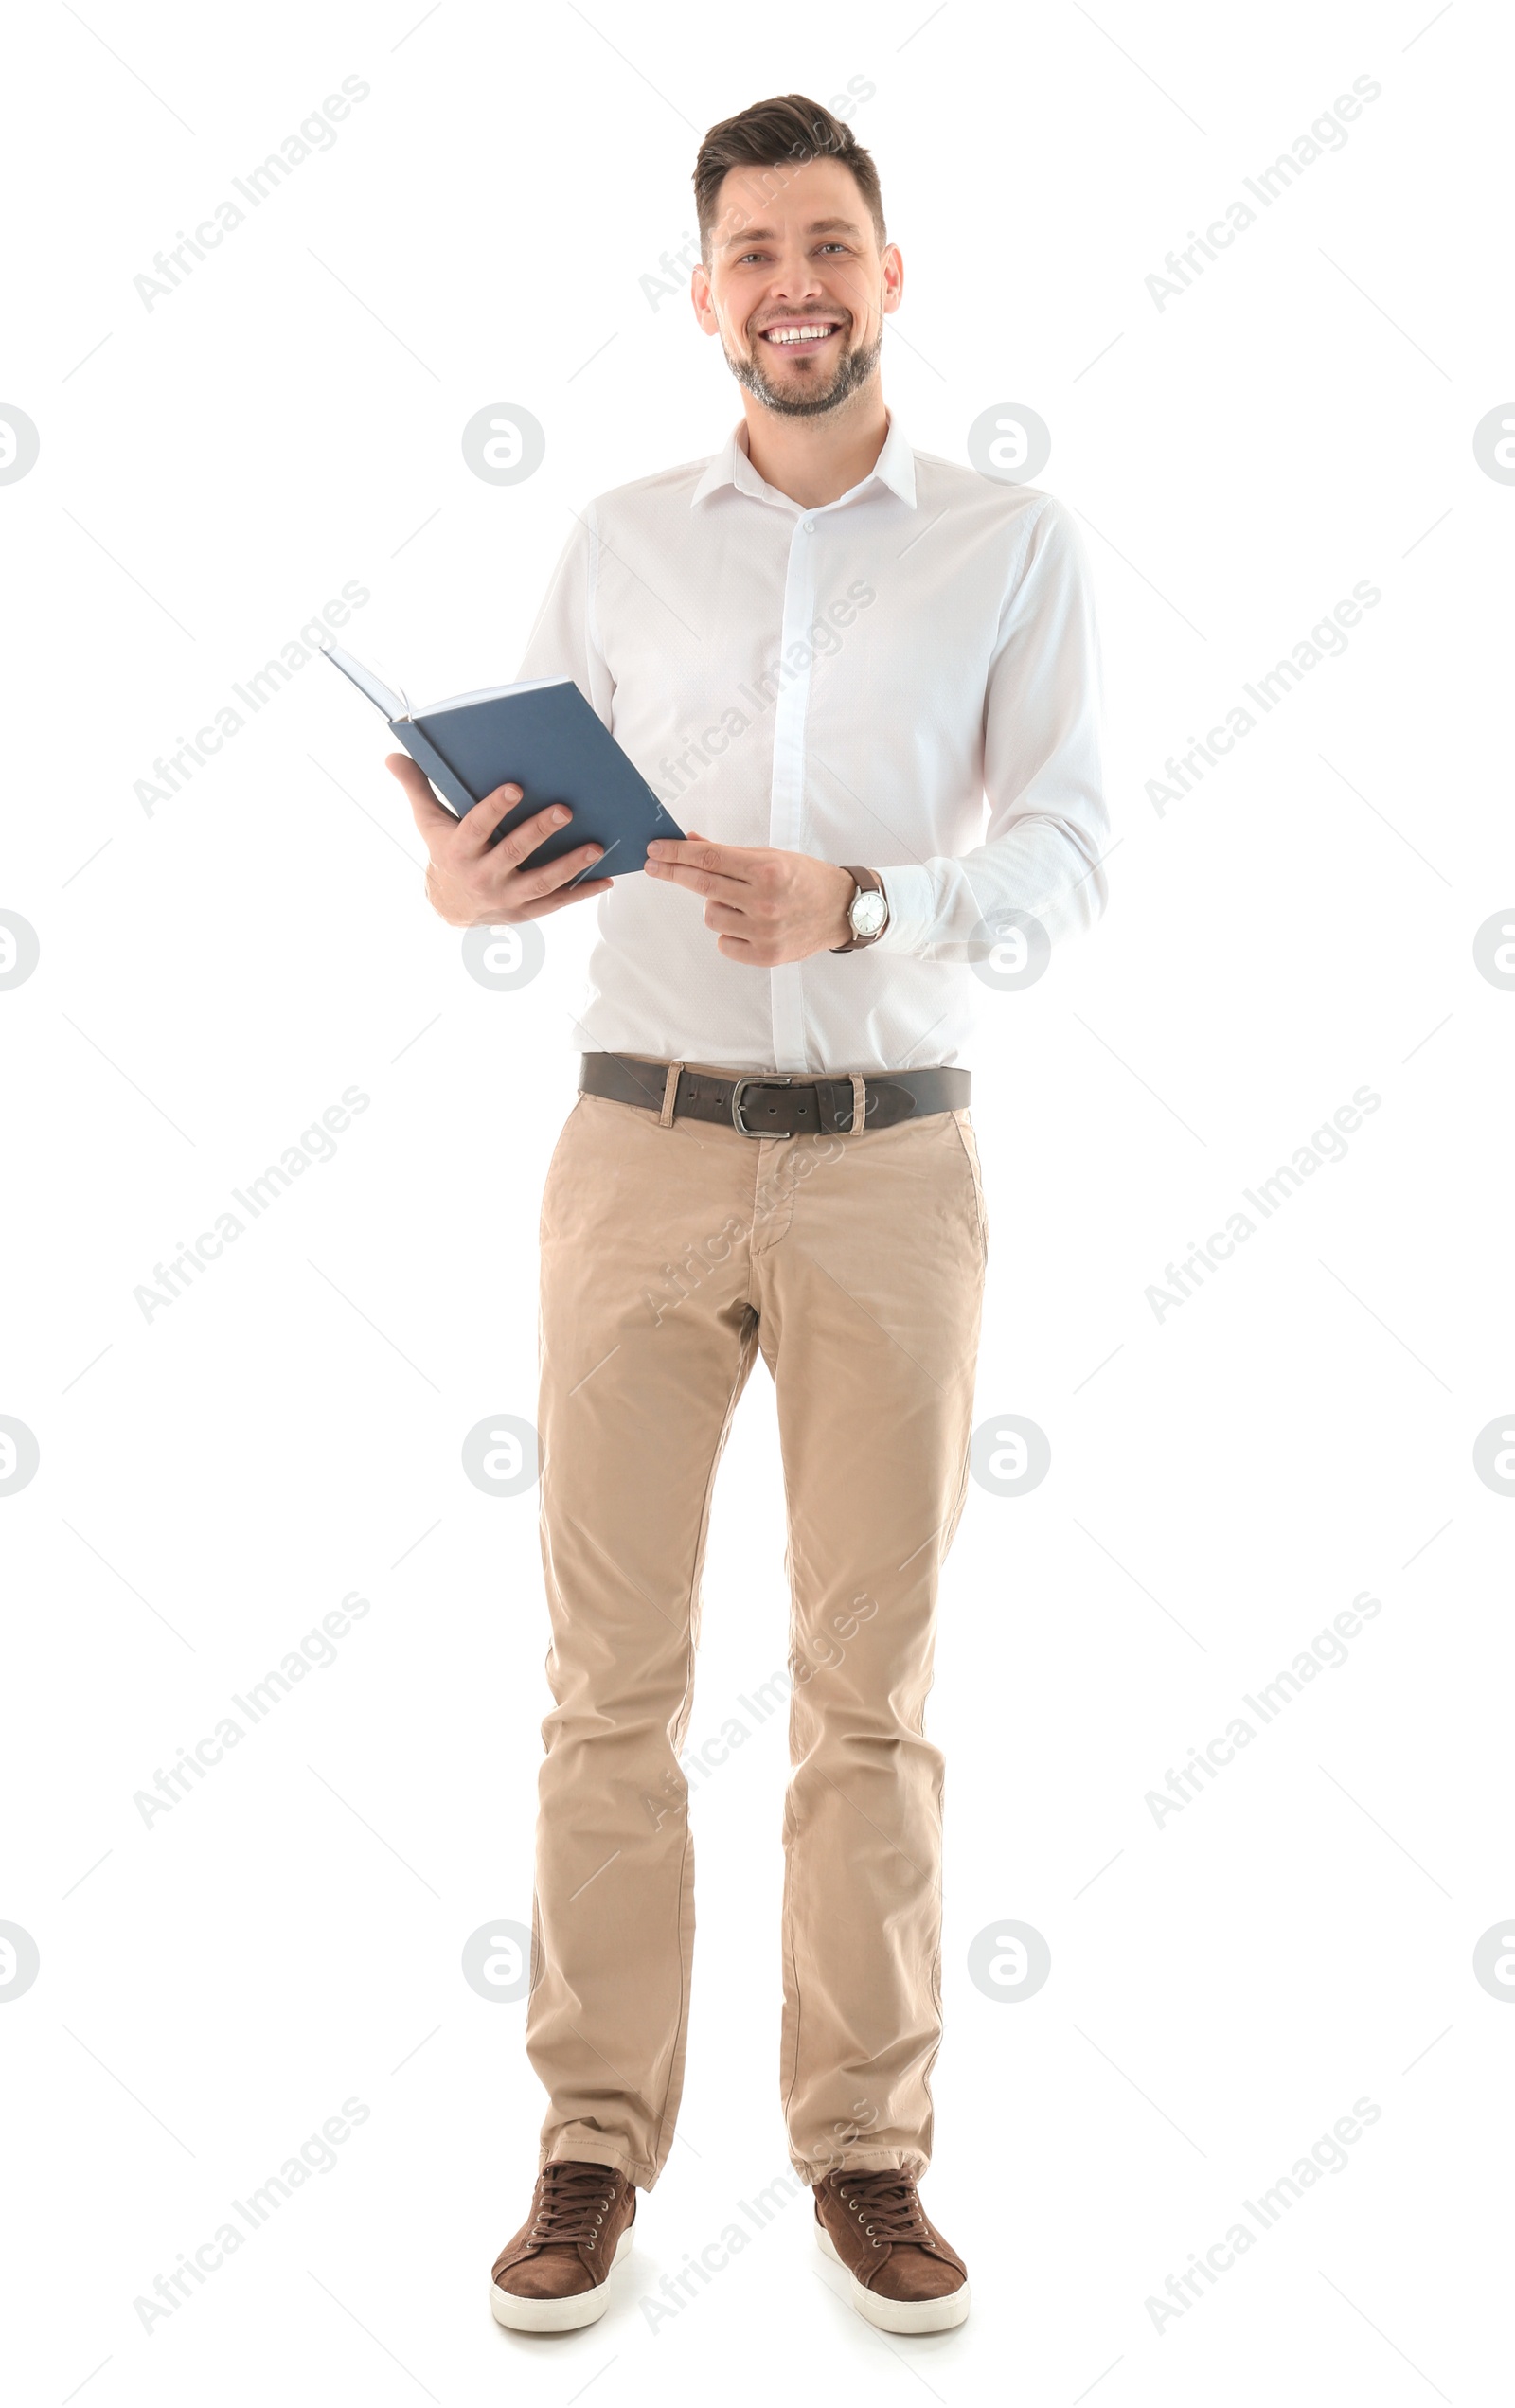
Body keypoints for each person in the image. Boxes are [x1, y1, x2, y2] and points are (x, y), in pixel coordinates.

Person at [387, 90, 1109, 2338]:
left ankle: (864, 2154)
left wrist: (867, 897)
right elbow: (496, 824)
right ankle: (590, 2145)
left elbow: (1071, 855)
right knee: (605, 1688)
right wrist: (451, 871)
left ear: (890, 278)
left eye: (826, 243)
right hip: (637, 1150)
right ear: (703, 296)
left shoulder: (1007, 539)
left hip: (894, 1162)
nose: (789, 284)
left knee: (863, 1694)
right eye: (749, 253)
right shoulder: (615, 542)